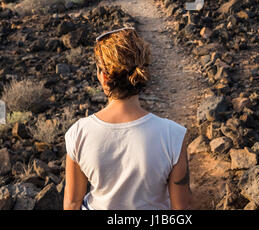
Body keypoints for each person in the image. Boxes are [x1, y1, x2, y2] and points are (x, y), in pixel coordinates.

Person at [63, 26, 193, 210]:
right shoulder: (173, 135)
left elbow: (72, 202)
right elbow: (182, 207)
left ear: (104, 76)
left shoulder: (79, 133)